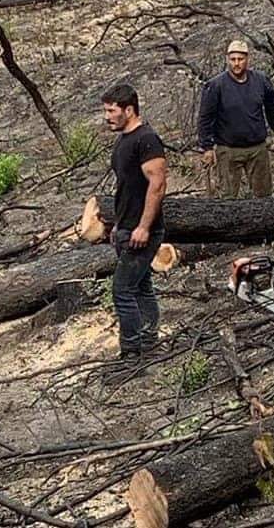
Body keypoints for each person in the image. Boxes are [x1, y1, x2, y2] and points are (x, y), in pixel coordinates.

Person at [102, 84, 168, 362]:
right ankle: (150, 341)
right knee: (141, 287)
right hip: (127, 226)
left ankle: (131, 353)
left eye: (111, 110)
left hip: (144, 230)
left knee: (122, 290)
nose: (107, 116)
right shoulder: (124, 140)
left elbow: (157, 185)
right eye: (105, 110)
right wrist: (119, 224)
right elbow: (127, 187)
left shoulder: (147, 140)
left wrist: (144, 227)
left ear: (129, 110)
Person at [198, 40, 274, 198]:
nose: (236, 63)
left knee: (264, 196)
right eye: (233, 59)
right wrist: (207, 147)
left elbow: (273, 108)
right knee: (227, 198)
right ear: (227, 59)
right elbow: (205, 118)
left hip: (257, 148)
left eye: (240, 59)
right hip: (228, 149)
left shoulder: (261, 81)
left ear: (248, 59)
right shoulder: (215, 86)